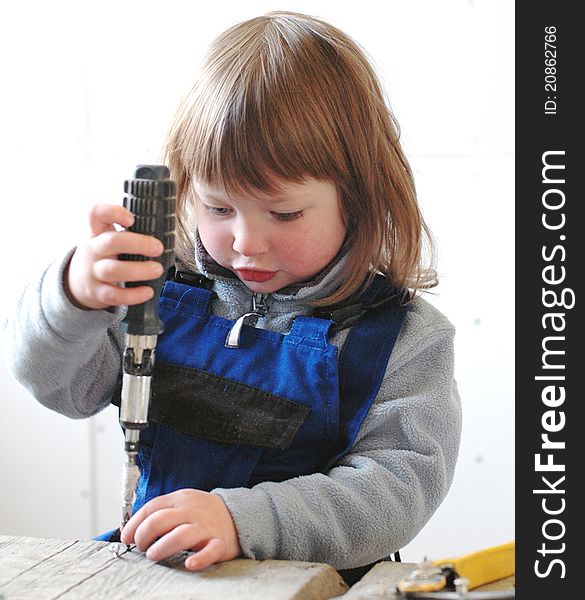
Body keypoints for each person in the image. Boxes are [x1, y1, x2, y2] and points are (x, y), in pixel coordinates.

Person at [3, 11, 461, 582]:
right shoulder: (152, 287)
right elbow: (60, 390)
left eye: (284, 213)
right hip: (159, 574)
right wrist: (72, 296)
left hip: (314, 585)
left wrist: (241, 520)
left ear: (359, 196)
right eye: (218, 208)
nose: (247, 244)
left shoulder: (405, 339)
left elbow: (397, 489)